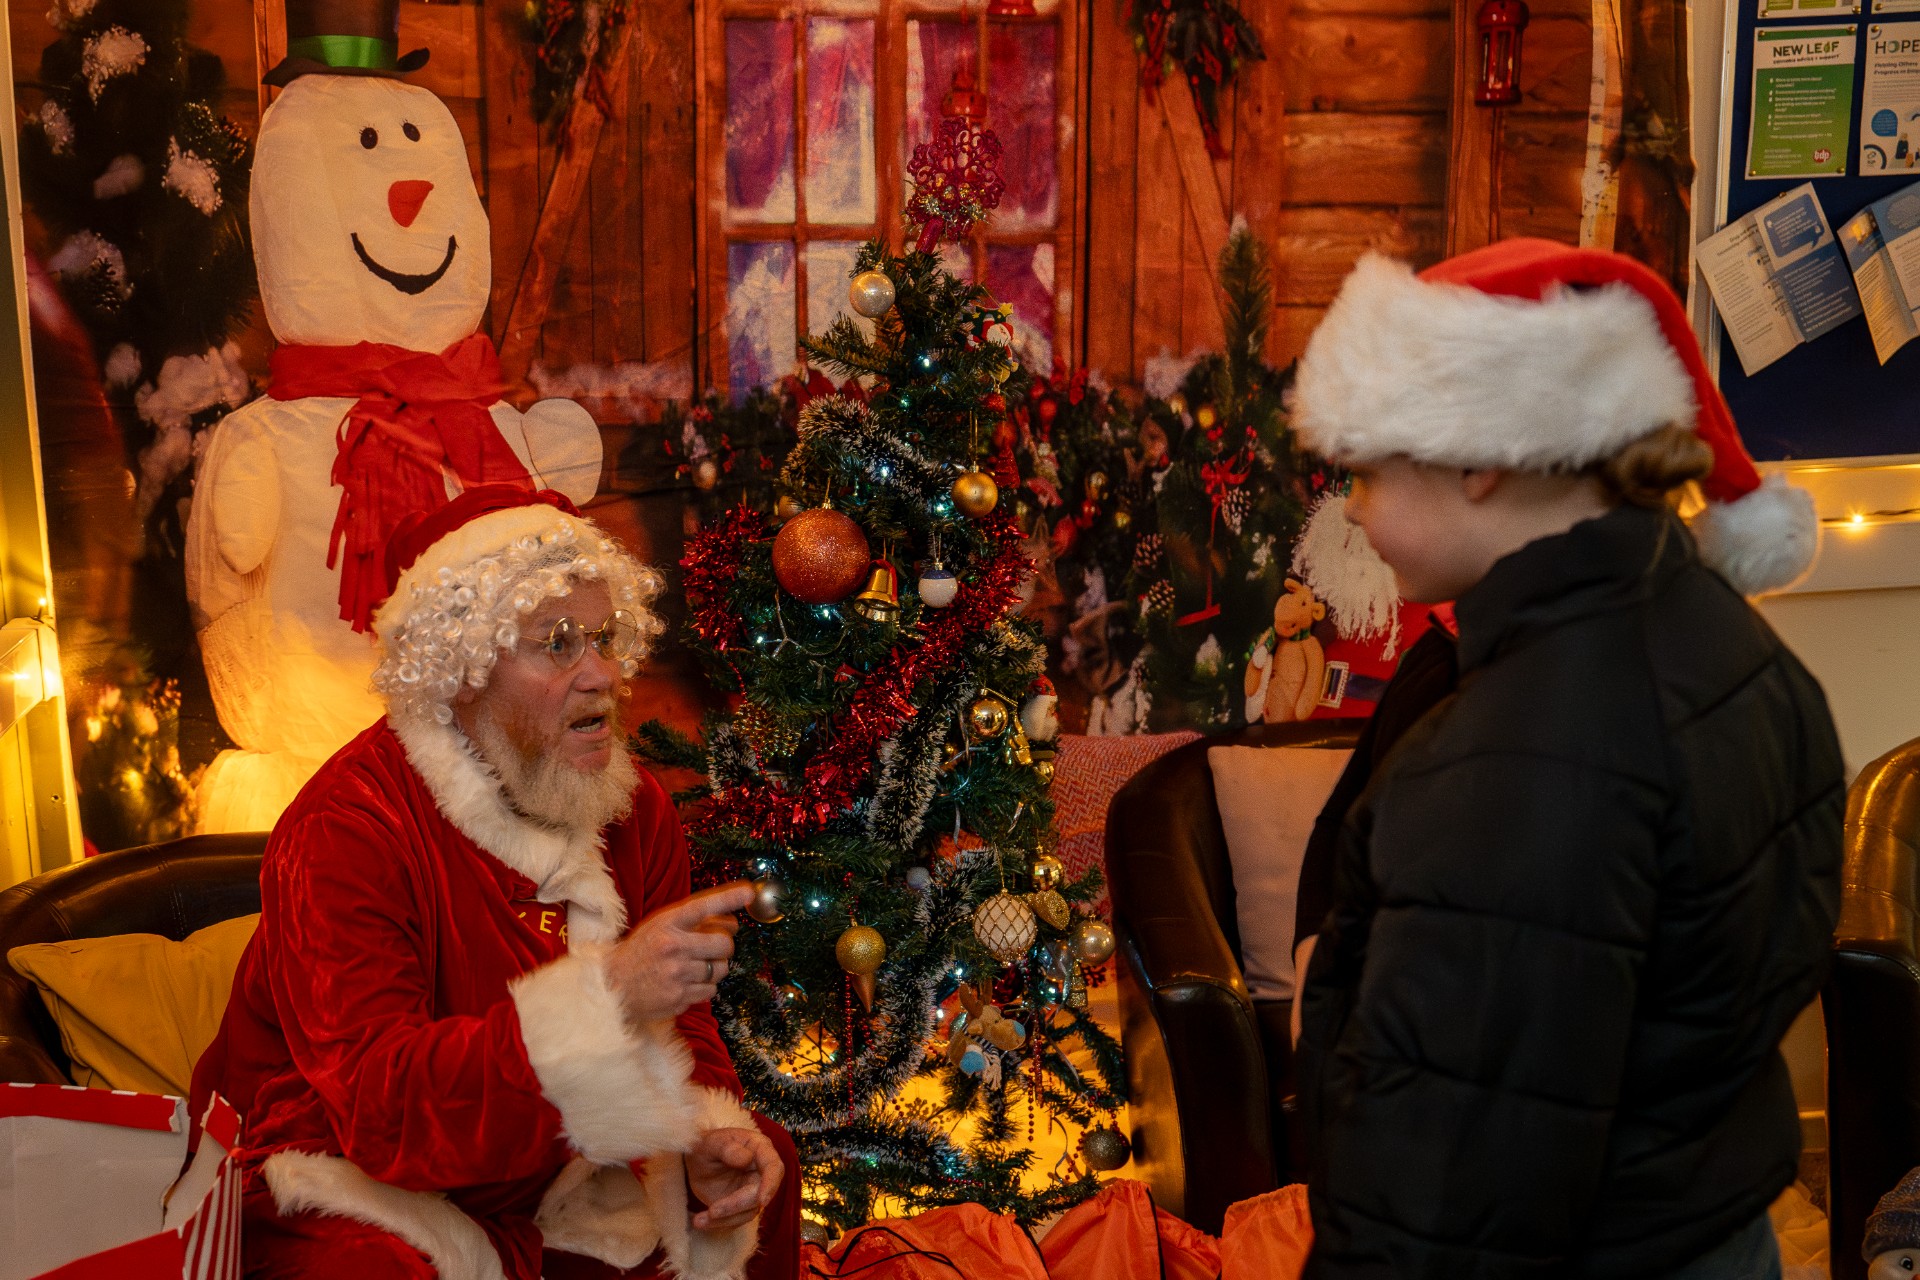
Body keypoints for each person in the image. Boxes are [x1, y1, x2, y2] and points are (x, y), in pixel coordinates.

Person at [1287, 240, 1842, 1279]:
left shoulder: (1520, 757)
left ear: (1477, 451)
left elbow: (1448, 1197)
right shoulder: (1733, 647)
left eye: (1364, 468)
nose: (1355, 508)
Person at [189, 485, 799, 1280]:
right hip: (335, 1162)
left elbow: (682, 1027)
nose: (602, 676)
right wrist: (602, 997)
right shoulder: (346, 826)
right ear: (462, 666)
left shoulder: (634, 806)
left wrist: (704, 1136)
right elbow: (382, 1112)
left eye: (606, 638)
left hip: (550, 1153)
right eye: (558, 643)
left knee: (761, 1167)